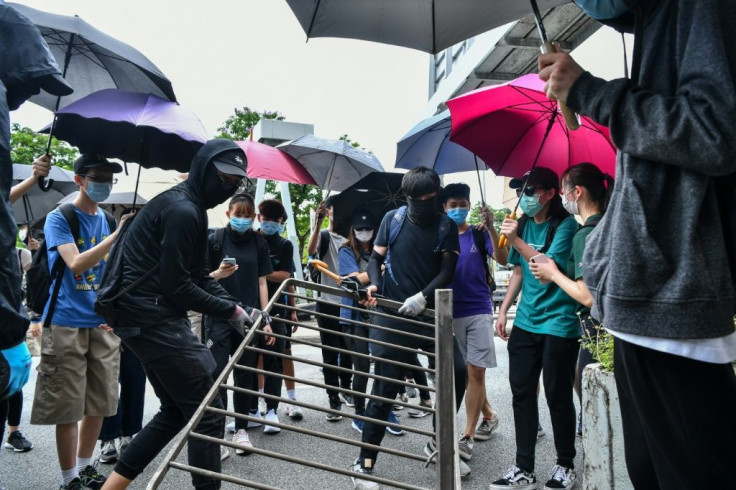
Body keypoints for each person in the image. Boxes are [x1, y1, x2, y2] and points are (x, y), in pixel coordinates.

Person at [539, 1, 736, 487]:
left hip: (673, 304)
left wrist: (589, 92)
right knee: (649, 474)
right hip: (640, 304)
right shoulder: (655, 23)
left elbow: (715, 132)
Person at [101, 139, 258, 490]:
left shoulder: (191, 209)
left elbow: (199, 277)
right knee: (209, 412)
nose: (228, 187)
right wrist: (230, 309)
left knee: (175, 411)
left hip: (146, 318)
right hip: (154, 318)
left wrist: (241, 309)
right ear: (202, 169)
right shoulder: (183, 211)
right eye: (223, 178)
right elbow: (177, 288)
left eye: (236, 182)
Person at [350, 167, 469, 489]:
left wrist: (423, 297)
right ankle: (364, 464)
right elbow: (375, 259)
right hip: (391, 314)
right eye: (415, 199)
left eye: (427, 198)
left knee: (458, 372)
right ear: (407, 197)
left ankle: (438, 439)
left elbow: (447, 271)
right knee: (385, 388)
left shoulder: (446, 225)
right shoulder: (393, 219)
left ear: (436, 195)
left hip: (430, 312)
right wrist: (374, 285)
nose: (420, 204)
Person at [30, 154, 127, 490]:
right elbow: (75, 263)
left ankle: (85, 468)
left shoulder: (109, 221)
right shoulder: (61, 217)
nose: (104, 183)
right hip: (65, 321)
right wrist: (114, 238)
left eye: (109, 178)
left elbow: (115, 274)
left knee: (99, 402)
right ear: (79, 180)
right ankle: (69, 478)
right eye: (97, 176)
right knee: (68, 406)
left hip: (101, 323)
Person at [491, 167, 580, 490]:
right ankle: (524, 468)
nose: (524, 197)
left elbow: (545, 268)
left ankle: (565, 465)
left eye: (531, 191)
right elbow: (517, 269)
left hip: (559, 322)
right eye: (521, 190)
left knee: (557, 395)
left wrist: (515, 238)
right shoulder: (525, 223)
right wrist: (503, 310)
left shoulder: (566, 226)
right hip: (526, 322)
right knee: (522, 394)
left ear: (550, 193)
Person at [529, 163, 614, 436]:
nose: (563, 199)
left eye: (564, 192)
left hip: (595, 328)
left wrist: (553, 273)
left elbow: (585, 296)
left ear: (577, 192)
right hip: (617, 325)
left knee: (595, 401)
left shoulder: (584, 235)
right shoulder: (611, 226)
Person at [442, 183, 508, 462]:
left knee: (476, 373)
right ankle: (489, 415)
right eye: (453, 204)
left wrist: (492, 227)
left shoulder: (480, 235)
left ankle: (467, 435)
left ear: (470, 206)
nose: (458, 209)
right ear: (444, 208)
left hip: (479, 309)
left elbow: (503, 259)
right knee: (466, 373)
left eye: (462, 204)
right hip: (448, 313)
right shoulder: (439, 236)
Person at [205, 193, 274, 457]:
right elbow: (203, 280)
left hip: (250, 316)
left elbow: (261, 282)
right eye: (238, 215)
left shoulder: (259, 242)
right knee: (215, 374)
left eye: (247, 216)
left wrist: (265, 319)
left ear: (254, 217)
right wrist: (219, 273)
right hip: (219, 315)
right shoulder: (215, 240)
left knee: (245, 374)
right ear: (228, 215)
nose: (243, 220)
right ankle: (217, 433)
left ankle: (241, 430)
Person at [337, 212, 408, 435]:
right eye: (360, 228)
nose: (364, 232)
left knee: (386, 366)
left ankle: (384, 410)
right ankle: (359, 413)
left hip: (380, 313)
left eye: (368, 228)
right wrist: (377, 269)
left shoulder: (385, 249)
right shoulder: (346, 250)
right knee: (362, 368)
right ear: (353, 230)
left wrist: (381, 267)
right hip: (353, 315)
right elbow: (350, 281)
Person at [307, 196, 353, 418]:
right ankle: (333, 398)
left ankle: (347, 388)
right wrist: (317, 223)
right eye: (335, 209)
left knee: (348, 352)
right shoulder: (324, 235)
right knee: (330, 352)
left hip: (348, 303)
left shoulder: (352, 237)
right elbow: (311, 250)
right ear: (329, 212)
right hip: (326, 303)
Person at [257, 200, 303, 421]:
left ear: (282, 222)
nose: (269, 225)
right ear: (259, 218)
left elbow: (287, 277)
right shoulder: (252, 239)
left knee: (284, 352)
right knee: (257, 353)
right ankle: (259, 398)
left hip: (279, 307)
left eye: (274, 221)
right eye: (266, 220)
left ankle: (291, 398)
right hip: (254, 305)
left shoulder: (285, 245)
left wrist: (293, 309)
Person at [97, 343, 146, 465]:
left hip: (135, 327)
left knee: (134, 382)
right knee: (105, 383)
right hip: (103, 329)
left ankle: (127, 434)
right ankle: (107, 437)